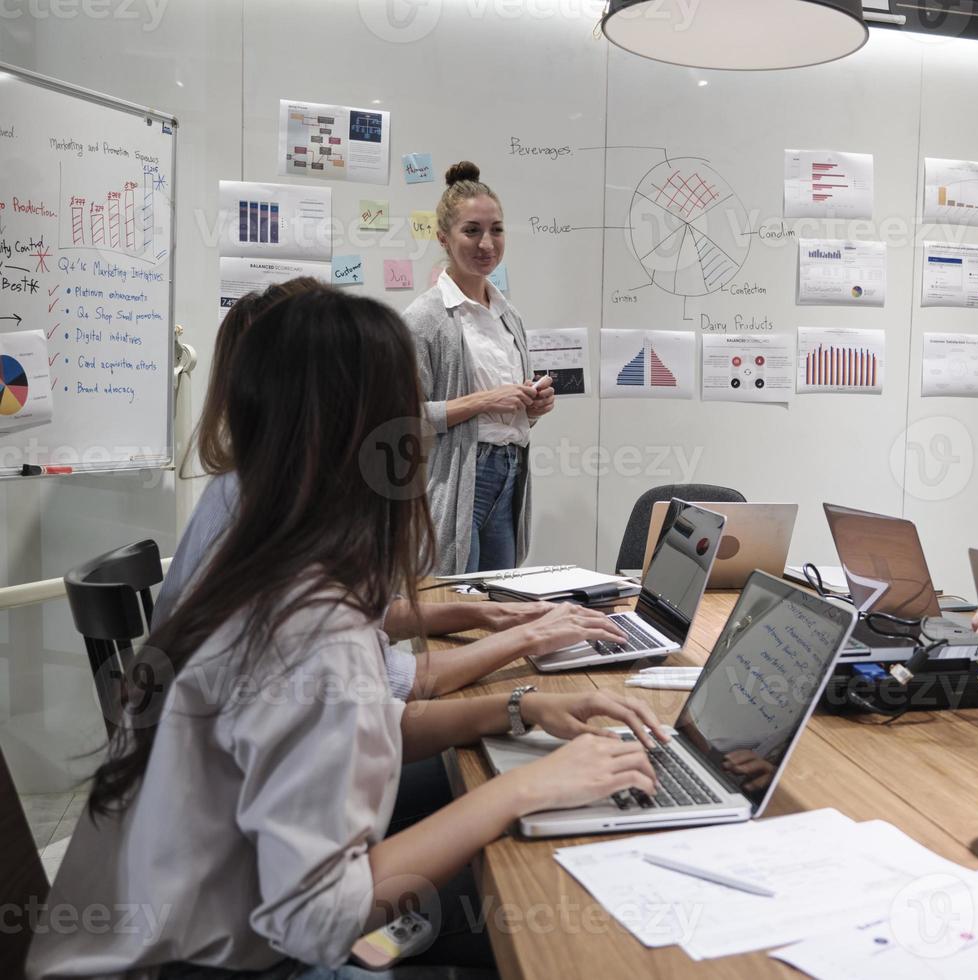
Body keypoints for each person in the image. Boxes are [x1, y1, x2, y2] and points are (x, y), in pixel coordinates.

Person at [28, 288, 665, 979]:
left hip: (165, 937)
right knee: (538, 921)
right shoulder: (310, 624)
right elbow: (315, 921)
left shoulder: (263, 565)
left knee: (483, 850)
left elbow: (348, 721)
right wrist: (521, 789)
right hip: (212, 962)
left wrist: (515, 708)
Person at [157, 279, 620, 701]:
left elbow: (370, 627)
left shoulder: (258, 494)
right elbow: (398, 688)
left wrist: (494, 618)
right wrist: (521, 675)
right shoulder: (283, 525)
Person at [404, 161, 553, 575]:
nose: (487, 243)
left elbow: (510, 413)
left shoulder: (510, 316)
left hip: (511, 472)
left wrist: (531, 406)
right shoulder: (424, 318)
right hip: (459, 476)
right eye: (471, 231)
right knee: (453, 609)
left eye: (497, 229)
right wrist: (487, 399)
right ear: (443, 239)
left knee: (499, 602)